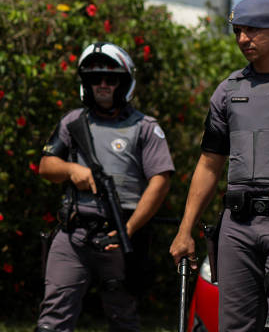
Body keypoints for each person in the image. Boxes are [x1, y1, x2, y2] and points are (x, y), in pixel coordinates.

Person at [36, 42, 174, 332]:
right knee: (53, 317)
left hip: (121, 234)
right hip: (73, 234)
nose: (102, 84)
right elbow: (46, 166)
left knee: (123, 318)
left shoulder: (145, 126)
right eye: (95, 78)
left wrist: (129, 230)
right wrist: (71, 170)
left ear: (124, 82)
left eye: (110, 79)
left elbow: (161, 181)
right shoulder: (72, 121)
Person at [170, 0, 269, 331]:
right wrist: (185, 230)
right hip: (237, 228)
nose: (243, 39)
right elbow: (209, 164)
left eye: (253, 30)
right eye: (238, 31)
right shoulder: (228, 91)